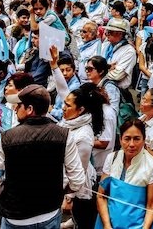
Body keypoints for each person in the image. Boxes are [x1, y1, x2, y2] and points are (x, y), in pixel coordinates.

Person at [0, 84, 86, 229]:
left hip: (16, 218)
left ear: (29, 109)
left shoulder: (7, 138)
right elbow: (77, 180)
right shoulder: (65, 135)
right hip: (50, 213)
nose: (15, 109)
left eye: (19, 105)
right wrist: (60, 190)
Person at [97, 119, 153, 229]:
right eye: (127, 139)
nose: (131, 144)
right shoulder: (112, 158)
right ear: (120, 139)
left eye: (137, 139)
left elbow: (151, 205)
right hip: (107, 223)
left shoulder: (152, 166)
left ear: (144, 140)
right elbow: (101, 195)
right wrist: (107, 225)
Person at [59, 83, 104, 229]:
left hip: (80, 189)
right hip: (69, 182)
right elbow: (62, 89)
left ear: (81, 110)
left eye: (68, 105)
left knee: (84, 220)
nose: (63, 108)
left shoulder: (84, 135)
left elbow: (79, 170)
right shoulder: (70, 123)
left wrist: (69, 197)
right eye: (64, 103)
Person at [100, 18, 137, 89]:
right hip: (100, 87)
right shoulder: (105, 45)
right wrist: (107, 68)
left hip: (117, 89)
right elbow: (94, 63)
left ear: (120, 33)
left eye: (110, 32)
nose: (107, 34)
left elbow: (118, 75)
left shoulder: (129, 51)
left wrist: (99, 71)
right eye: (107, 31)